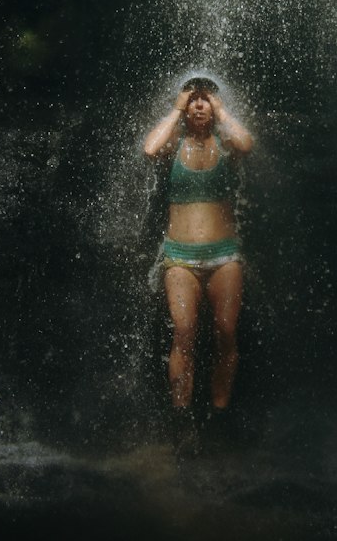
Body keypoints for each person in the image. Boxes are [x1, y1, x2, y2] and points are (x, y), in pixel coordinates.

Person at [143, 76, 253, 419]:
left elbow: (247, 143)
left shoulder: (226, 144)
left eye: (207, 99)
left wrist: (222, 111)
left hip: (225, 256)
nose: (201, 105)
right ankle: (181, 419)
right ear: (186, 106)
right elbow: (149, 148)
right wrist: (175, 109)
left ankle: (220, 416)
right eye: (194, 99)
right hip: (180, 257)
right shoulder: (174, 144)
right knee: (184, 333)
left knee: (225, 331)